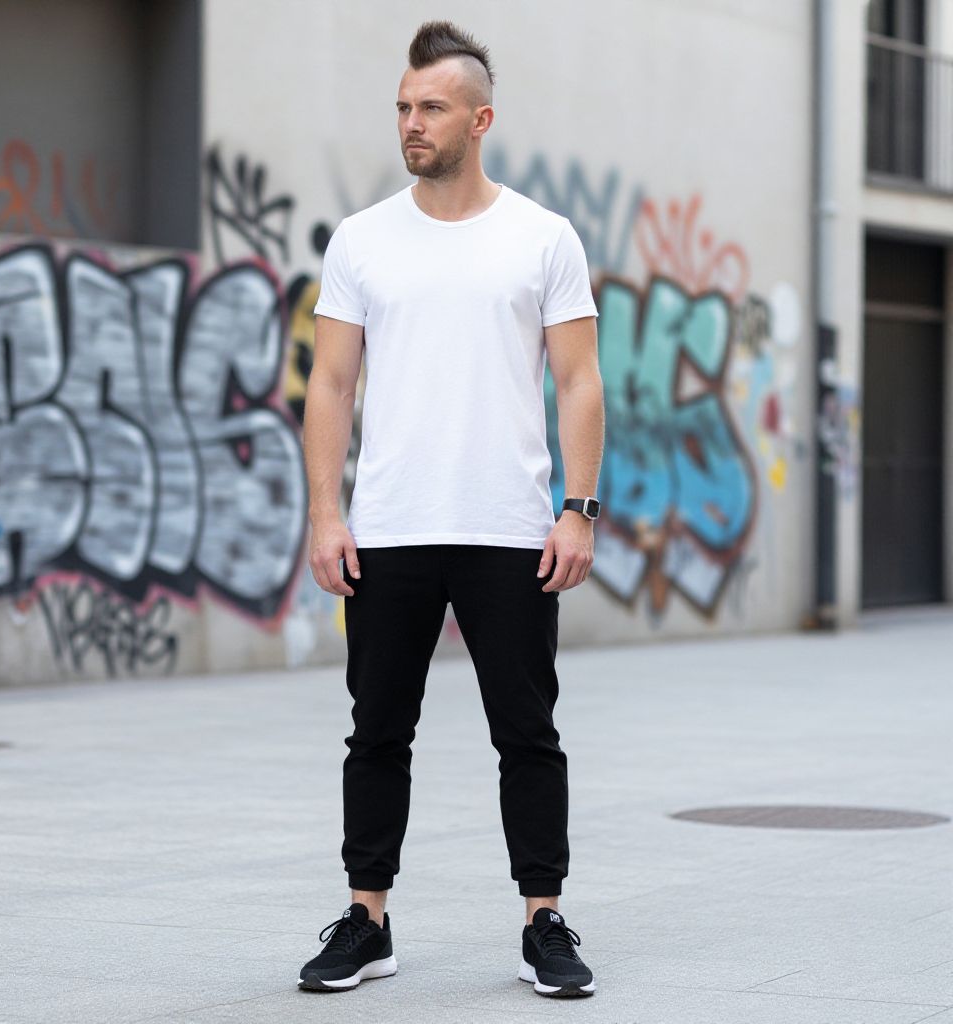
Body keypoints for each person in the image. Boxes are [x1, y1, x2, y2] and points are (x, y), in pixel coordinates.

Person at [299, 19, 604, 999]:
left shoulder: (542, 237)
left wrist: (577, 508)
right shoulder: (361, 240)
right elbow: (330, 387)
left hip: (511, 531)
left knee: (527, 733)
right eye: (400, 106)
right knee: (376, 730)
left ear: (479, 118)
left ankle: (543, 920)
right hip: (387, 530)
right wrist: (323, 514)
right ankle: (365, 918)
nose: (410, 123)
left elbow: (580, 384)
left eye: (429, 107)